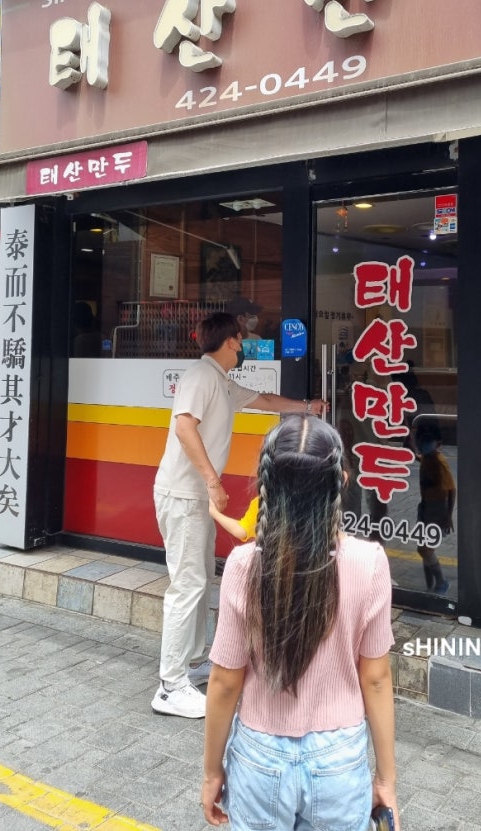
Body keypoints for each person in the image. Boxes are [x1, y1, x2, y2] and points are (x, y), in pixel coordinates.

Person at [201, 415, 399, 831]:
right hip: (340, 760)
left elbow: (224, 682)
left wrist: (212, 770)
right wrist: (385, 779)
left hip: (259, 755)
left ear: (265, 485)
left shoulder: (243, 565)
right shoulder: (370, 563)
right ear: (341, 481)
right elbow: (377, 679)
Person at [151, 311, 327, 719]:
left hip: (194, 498)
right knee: (187, 585)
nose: (245, 344)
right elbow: (184, 427)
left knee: (199, 580)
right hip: (183, 496)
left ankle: (192, 663)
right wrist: (213, 481)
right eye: (242, 338)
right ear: (231, 341)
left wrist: (307, 408)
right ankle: (170, 686)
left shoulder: (221, 381)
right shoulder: (200, 376)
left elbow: (264, 401)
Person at [414, 425, 455, 594]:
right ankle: (430, 585)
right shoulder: (427, 458)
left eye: (428, 442)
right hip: (425, 508)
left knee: (425, 549)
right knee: (422, 546)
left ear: (438, 443)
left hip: (437, 510)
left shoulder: (439, 462)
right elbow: (419, 457)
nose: (425, 444)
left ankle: (441, 582)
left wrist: (449, 515)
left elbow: (452, 490)